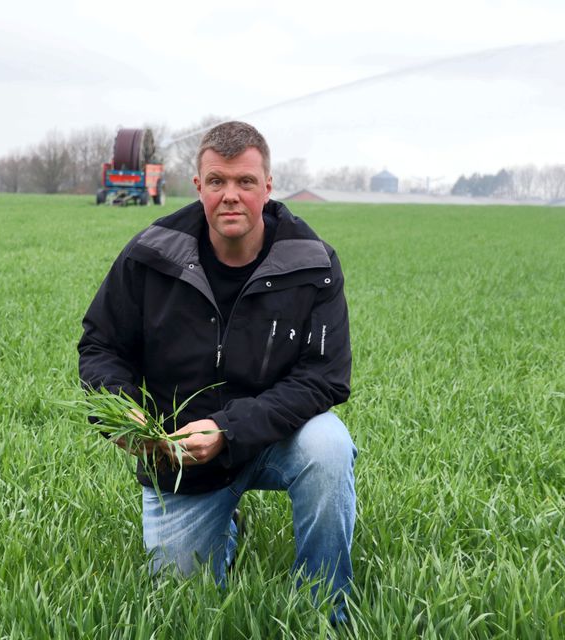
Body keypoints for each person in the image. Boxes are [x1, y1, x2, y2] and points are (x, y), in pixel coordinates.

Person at [77, 121, 356, 621]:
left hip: (275, 434)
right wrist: (123, 411)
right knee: (183, 606)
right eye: (217, 181)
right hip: (182, 454)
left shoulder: (312, 263)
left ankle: (324, 608)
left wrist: (228, 430)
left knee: (328, 446)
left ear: (267, 186)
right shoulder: (150, 254)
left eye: (245, 181)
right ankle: (224, 525)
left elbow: (324, 376)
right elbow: (100, 346)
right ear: (198, 186)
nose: (231, 195)